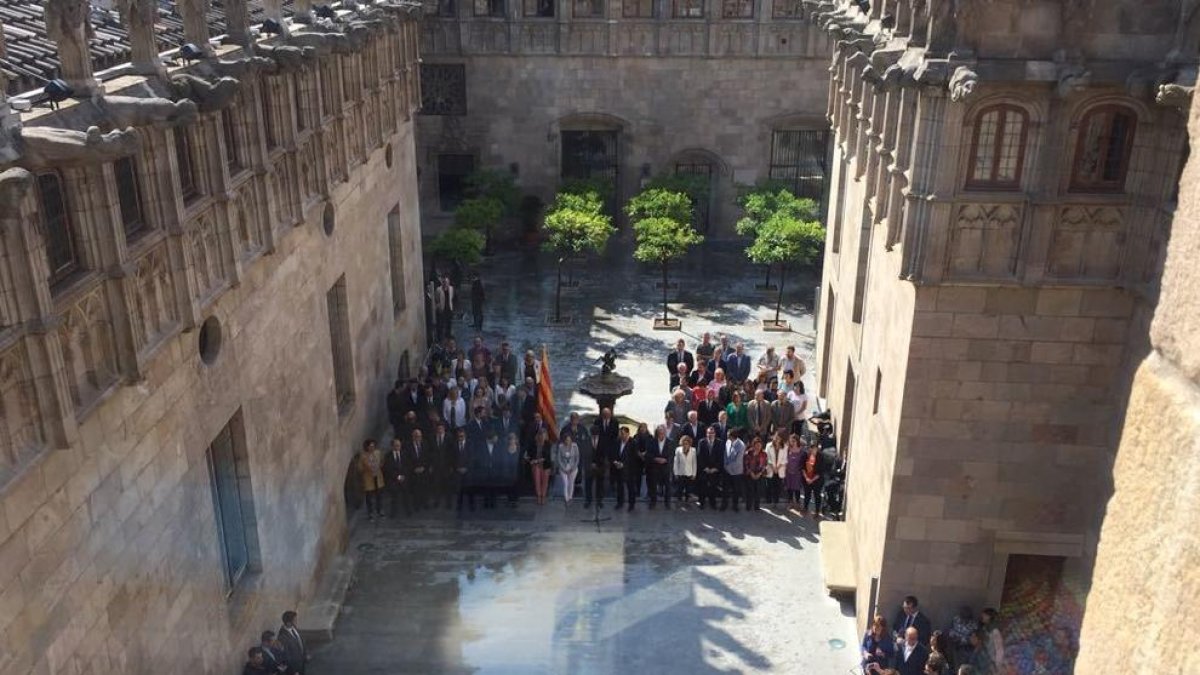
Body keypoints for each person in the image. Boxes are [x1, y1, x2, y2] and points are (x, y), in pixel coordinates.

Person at [561, 413, 593, 506]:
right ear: (571, 419)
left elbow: (586, 440)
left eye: (576, 419)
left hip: (579, 453)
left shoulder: (582, 429)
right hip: (567, 455)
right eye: (573, 419)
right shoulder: (566, 429)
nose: (575, 420)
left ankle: (577, 485)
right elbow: (561, 439)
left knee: (577, 468)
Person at [591, 408, 619, 508]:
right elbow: (596, 432)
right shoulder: (597, 421)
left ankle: (612, 482)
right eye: (604, 414)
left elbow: (615, 435)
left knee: (612, 465)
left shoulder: (615, 422)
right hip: (599, 448)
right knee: (600, 470)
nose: (606, 416)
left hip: (611, 447)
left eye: (608, 414)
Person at [644, 424, 674, 509]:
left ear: (665, 432)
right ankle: (653, 502)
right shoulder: (651, 441)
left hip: (666, 467)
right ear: (657, 432)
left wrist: (666, 460)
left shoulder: (670, 442)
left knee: (667, 486)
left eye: (663, 432)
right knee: (653, 485)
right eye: (659, 432)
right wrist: (655, 459)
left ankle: (667, 503)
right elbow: (648, 454)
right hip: (654, 467)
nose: (661, 433)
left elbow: (672, 455)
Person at [609, 426, 637, 511]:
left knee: (630, 487)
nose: (621, 435)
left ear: (628, 434)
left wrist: (624, 464)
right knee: (620, 487)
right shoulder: (617, 442)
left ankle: (631, 504)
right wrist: (615, 462)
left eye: (623, 434)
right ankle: (620, 503)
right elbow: (613, 453)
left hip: (629, 469)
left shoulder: (633, 443)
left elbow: (634, 457)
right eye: (620, 434)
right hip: (618, 468)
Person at [356, 439, 385, 520]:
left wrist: (379, 466)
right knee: (369, 497)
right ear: (367, 447)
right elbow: (359, 467)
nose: (372, 448)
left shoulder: (378, 453)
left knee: (379, 495)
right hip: (368, 478)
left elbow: (382, 461)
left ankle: (380, 510)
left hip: (377, 477)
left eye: (373, 446)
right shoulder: (363, 456)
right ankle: (370, 513)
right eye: (370, 446)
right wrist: (366, 468)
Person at [696, 425, 723, 509]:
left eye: (712, 433)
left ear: (715, 434)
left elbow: (721, 457)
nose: (710, 434)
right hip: (704, 469)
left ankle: (713, 502)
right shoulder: (702, 442)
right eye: (708, 433)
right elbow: (699, 456)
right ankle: (702, 502)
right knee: (702, 486)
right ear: (706, 434)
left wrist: (716, 468)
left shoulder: (720, 442)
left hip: (715, 469)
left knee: (713, 487)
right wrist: (705, 468)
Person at [525, 428, 553, 505]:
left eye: (544, 434)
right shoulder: (533, 444)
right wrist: (529, 460)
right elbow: (529, 455)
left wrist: (536, 461)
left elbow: (547, 456)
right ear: (538, 435)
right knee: (537, 481)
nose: (542, 436)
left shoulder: (548, 444)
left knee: (545, 482)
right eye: (540, 434)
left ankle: (543, 496)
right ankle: (539, 496)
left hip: (545, 464)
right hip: (535, 465)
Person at [382, 437, 408, 518]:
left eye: (399, 445)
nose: (398, 447)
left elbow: (407, 465)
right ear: (392, 446)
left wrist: (403, 475)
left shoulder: (404, 454)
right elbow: (388, 468)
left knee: (405, 496)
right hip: (393, 480)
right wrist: (397, 476)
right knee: (394, 497)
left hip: (403, 478)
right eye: (396, 446)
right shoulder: (388, 456)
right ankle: (394, 513)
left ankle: (408, 511)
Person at [445, 427, 470, 510]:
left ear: (465, 436)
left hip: (467, 470)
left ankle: (469, 505)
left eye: (462, 436)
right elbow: (451, 458)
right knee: (457, 489)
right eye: (459, 436)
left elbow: (472, 458)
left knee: (468, 488)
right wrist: (456, 468)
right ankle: (457, 505)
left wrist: (466, 468)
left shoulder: (470, 445)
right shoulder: (453, 445)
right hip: (457, 470)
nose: (461, 438)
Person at [721, 428, 745, 512]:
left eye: (728, 435)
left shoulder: (741, 445)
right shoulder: (727, 442)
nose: (727, 436)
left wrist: (728, 467)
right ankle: (724, 504)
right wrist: (725, 466)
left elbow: (738, 461)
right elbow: (725, 455)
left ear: (732, 436)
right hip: (726, 471)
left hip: (736, 472)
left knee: (736, 490)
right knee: (725, 489)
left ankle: (735, 505)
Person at [554, 431, 580, 505]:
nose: (567, 441)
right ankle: (566, 498)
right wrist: (564, 469)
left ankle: (570, 497)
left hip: (573, 468)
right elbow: (559, 459)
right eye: (566, 440)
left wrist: (573, 468)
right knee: (565, 483)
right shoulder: (560, 446)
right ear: (564, 440)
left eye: (569, 440)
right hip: (563, 468)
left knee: (571, 483)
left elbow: (577, 458)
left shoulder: (575, 446)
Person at [743, 436, 767, 511]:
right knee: (750, 491)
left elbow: (764, 465)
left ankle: (757, 506)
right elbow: (746, 464)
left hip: (759, 475)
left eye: (759, 445)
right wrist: (752, 473)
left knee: (758, 491)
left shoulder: (764, 454)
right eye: (756, 445)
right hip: (750, 475)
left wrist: (759, 474)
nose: (758, 447)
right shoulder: (748, 453)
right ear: (753, 445)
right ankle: (748, 506)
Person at [764, 430, 787, 507]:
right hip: (771, 468)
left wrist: (777, 467)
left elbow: (785, 459)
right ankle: (769, 500)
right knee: (769, 485)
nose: (777, 439)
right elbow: (767, 457)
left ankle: (776, 501)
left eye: (779, 437)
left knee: (778, 486)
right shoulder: (768, 445)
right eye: (776, 437)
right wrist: (773, 467)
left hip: (780, 469)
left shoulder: (785, 447)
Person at [800, 440, 823, 517]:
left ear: (817, 449)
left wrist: (812, 480)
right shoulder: (805, 455)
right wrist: (806, 478)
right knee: (807, 494)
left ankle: (817, 511)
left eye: (815, 448)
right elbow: (802, 467)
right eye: (811, 448)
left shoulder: (820, 457)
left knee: (817, 495)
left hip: (817, 480)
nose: (813, 450)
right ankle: (805, 508)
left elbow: (820, 472)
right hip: (807, 479)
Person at [673, 434, 697, 507]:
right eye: (684, 443)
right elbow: (676, 462)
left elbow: (694, 463)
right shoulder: (678, 449)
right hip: (680, 473)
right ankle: (679, 501)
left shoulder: (693, 450)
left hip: (689, 473)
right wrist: (676, 473)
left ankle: (687, 502)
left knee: (688, 489)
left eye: (687, 443)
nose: (685, 444)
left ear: (690, 443)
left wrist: (694, 474)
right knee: (680, 489)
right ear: (682, 443)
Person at [979, 608, 1005, 673]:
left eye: (984, 615)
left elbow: (999, 649)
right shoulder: (985, 628)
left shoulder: (995, 631)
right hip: (986, 657)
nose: (982, 616)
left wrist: (998, 664)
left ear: (989, 617)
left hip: (992, 660)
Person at [785, 434, 806, 507]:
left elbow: (804, 463)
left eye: (794, 441)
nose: (793, 442)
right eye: (791, 441)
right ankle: (790, 503)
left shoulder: (802, 451)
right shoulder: (787, 450)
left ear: (797, 441)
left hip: (797, 473)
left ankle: (797, 502)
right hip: (788, 472)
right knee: (789, 488)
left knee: (797, 488)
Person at [434, 276, 455, 341]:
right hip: (442, 308)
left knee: (449, 323)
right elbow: (436, 299)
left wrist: (451, 307)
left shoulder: (451, 288)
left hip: (449, 308)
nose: (446, 283)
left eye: (447, 282)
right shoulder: (439, 289)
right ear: (442, 283)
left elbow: (452, 297)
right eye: (444, 282)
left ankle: (448, 334)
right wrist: (438, 306)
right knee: (440, 324)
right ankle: (440, 337)